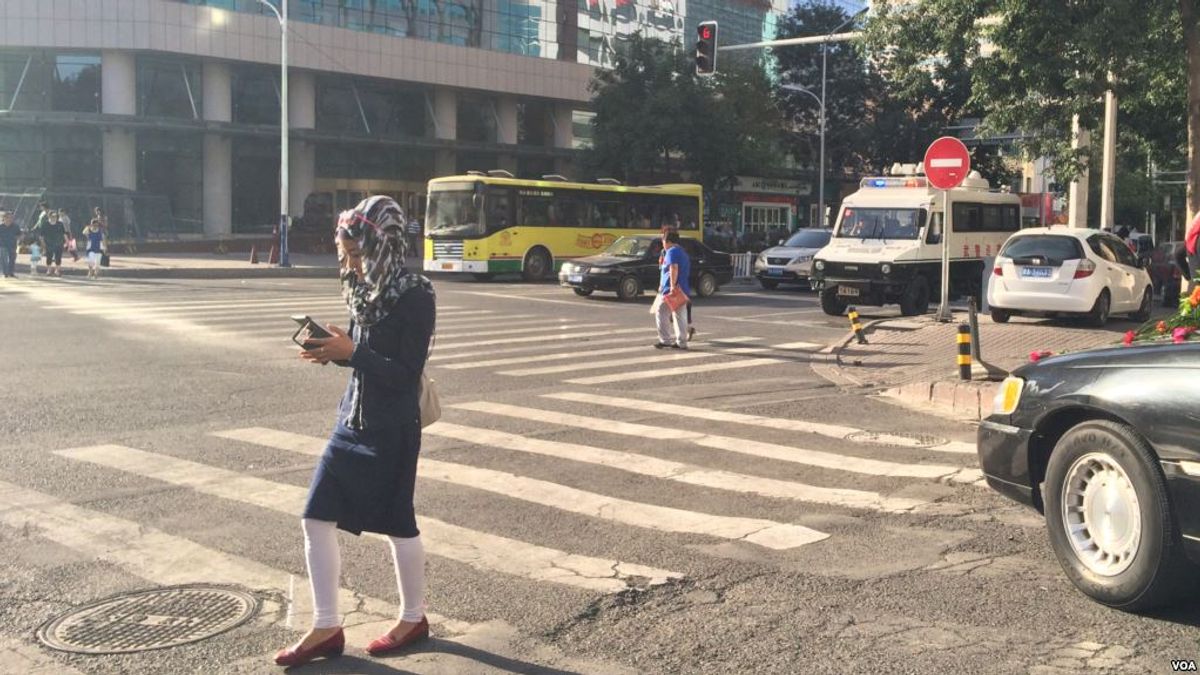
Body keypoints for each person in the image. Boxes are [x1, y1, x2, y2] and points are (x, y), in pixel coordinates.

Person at [275, 196, 435, 668]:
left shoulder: (416, 295)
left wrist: (353, 353)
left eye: (357, 254)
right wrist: (334, 351)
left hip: (392, 428)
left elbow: (404, 373)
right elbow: (361, 357)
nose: (350, 263)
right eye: (345, 254)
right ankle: (326, 627)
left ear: (383, 246)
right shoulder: (363, 290)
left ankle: (413, 618)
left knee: (398, 525)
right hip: (351, 421)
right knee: (315, 517)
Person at [654, 230, 691, 350]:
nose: (662, 243)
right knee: (680, 315)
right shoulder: (683, 252)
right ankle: (682, 342)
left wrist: (672, 286)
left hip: (671, 290)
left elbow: (673, 268)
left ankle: (665, 340)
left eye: (663, 240)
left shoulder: (671, 251)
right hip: (682, 289)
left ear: (668, 241)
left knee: (661, 311)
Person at [39, 210, 68, 277]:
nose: (54, 217)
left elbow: (64, 234)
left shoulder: (60, 224)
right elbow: (41, 236)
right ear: (49, 216)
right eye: (52, 216)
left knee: (58, 257)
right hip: (49, 244)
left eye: (55, 216)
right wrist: (43, 244)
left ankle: (57, 271)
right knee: (49, 257)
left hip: (59, 243)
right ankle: (49, 270)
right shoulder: (45, 224)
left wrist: (67, 242)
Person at [0, 211, 18, 278]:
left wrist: (19, 237)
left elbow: (19, 234)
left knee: (12, 259)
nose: (9, 219)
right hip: (3, 245)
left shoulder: (15, 226)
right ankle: (5, 273)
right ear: (4, 218)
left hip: (12, 245)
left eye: (11, 217)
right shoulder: (1, 227)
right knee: (4, 259)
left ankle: (11, 272)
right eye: (8, 217)